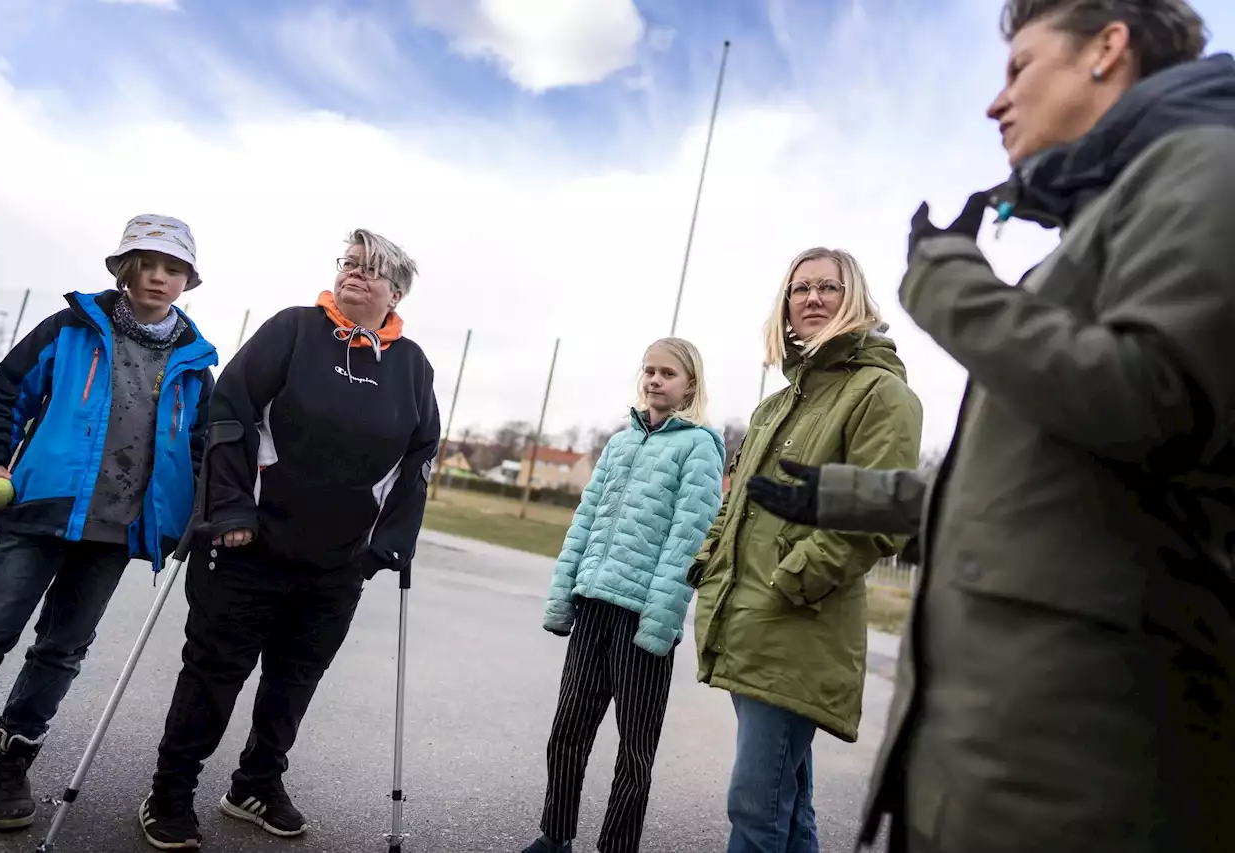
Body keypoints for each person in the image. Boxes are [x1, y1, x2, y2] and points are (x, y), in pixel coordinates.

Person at [753, 3, 1235, 852]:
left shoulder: (1209, 168)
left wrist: (950, 285)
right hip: (1009, 749)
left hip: (1079, 766)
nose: (995, 102)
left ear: (1108, 49)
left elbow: (1156, 399)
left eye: (1019, 68)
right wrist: (844, 491)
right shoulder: (1102, 225)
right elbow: (1038, 487)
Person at [138, 228, 440, 850]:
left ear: (396, 291)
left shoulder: (412, 366)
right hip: (249, 547)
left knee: (296, 677)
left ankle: (256, 783)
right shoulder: (294, 329)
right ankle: (170, 791)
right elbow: (229, 412)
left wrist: (389, 543)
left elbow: (420, 456)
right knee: (214, 672)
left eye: (370, 269)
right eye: (348, 263)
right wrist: (227, 510)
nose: (354, 274)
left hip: (337, 563)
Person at [0, 214, 217, 831]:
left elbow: (203, 449)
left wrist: (202, 513)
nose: (159, 276)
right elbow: (7, 396)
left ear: (187, 280)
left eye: (173, 268)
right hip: (38, 512)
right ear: (125, 268)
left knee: (62, 650)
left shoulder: (195, 364)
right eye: (147, 263)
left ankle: (7, 766)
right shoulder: (69, 328)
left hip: (117, 531)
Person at [688, 247, 923, 853]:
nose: (812, 298)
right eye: (801, 289)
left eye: (827, 287)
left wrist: (792, 581)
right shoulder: (776, 404)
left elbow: (876, 516)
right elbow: (735, 502)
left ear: (856, 300)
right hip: (750, 623)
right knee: (784, 807)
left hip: (799, 624)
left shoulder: (880, 394)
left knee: (756, 807)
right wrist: (708, 559)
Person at [525, 338, 725, 853]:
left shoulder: (699, 446)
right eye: (650, 371)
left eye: (668, 374)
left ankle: (616, 847)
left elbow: (688, 540)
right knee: (568, 730)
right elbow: (585, 522)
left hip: (643, 618)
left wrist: (661, 622)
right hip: (593, 605)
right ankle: (555, 835)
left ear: (690, 385)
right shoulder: (619, 443)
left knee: (635, 751)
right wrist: (563, 595)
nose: (655, 381)